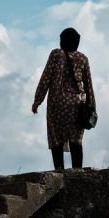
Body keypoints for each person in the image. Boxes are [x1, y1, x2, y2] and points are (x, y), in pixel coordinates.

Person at [32, 27, 95, 170]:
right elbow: (89, 85)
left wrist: (37, 101)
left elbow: (45, 78)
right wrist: (91, 106)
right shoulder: (83, 58)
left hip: (57, 103)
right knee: (76, 140)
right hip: (78, 104)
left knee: (56, 138)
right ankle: (77, 171)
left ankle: (59, 171)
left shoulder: (56, 55)